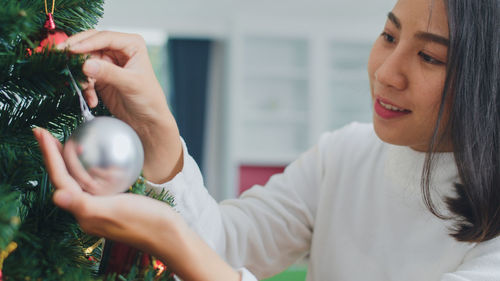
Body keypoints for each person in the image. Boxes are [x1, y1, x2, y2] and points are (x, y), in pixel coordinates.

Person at [33, 0, 500, 280]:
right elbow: (225, 245)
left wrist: (169, 235)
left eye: (429, 57)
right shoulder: (344, 155)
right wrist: (159, 132)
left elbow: (198, 255)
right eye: (388, 35)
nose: (386, 71)